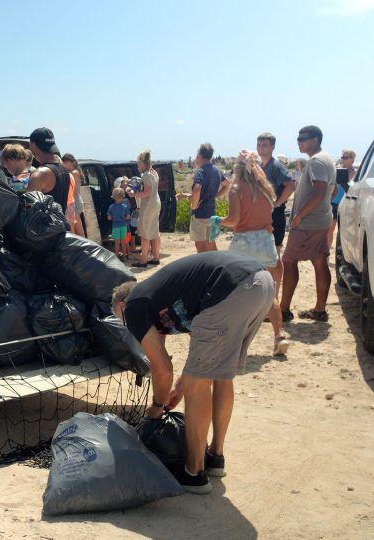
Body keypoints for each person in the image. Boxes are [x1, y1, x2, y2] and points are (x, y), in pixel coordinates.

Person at [112, 251, 274, 493]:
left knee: (197, 387)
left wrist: (157, 407)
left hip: (231, 289)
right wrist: (178, 386)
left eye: (122, 320)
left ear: (122, 306)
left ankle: (194, 473)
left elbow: (163, 369)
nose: (128, 326)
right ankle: (215, 457)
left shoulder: (135, 306)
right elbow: (194, 358)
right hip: (261, 284)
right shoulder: (162, 295)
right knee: (221, 376)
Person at [219, 150, 290, 356]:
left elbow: (234, 219)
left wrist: (219, 221)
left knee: (237, 291)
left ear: (238, 168)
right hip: (266, 241)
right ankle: (279, 336)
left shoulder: (236, 189)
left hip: (244, 243)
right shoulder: (266, 188)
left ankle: (234, 339)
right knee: (270, 292)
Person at [280, 126, 336, 322]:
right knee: (320, 261)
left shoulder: (316, 162)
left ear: (316, 139)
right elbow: (333, 191)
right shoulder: (326, 159)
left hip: (308, 223)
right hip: (321, 219)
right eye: (298, 137)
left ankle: (284, 310)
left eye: (304, 138)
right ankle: (320, 310)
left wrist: (299, 216)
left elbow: (320, 192)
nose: (299, 141)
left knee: (288, 261)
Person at [256, 133, 296, 295]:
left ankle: (274, 297)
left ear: (272, 147)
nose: (261, 148)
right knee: (266, 257)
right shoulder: (262, 166)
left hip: (275, 216)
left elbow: (291, 185)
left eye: (264, 145)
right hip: (265, 216)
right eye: (259, 145)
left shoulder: (276, 166)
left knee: (274, 255)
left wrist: (277, 203)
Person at [190, 143, 229, 253]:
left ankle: (204, 269)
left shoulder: (201, 171)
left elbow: (197, 189)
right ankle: (216, 267)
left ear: (200, 156)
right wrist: (216, 196)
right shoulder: (217, 171)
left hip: (200, 215)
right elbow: (227, 184)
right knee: (211, 244)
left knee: (200, 245)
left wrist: (194, 205)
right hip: (212, 213)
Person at [27, 127, 71, 214]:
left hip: (43, 227)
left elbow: (28, 209)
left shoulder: (40, 174)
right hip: (61, 226)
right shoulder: (64, 169)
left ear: (33, 145)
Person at [131, 149, 161, 267]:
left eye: (138, 163)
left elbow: (147, 192)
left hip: (148, 205)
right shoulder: (154, 173)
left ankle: (143, 260)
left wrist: (134, 194)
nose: (138, 165)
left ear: (143, 163)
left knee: (145, 233)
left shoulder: (146, 175)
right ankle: (156, 257)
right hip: (156, 203)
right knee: (154, 231)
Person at [328, 149, 356, 249]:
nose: (343, 160)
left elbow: (351, 190)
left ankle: (343, 254)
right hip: (334, 203)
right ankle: (327, 254)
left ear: (352, 159)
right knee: (329, 230)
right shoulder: (337, 171)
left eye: (345, 157)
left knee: (344, 232)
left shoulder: (356, 174)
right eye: (342, 157)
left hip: (347, 205)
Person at [62, 153, 87, 236]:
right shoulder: (75, 172)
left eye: (65, 162)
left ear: (69, 162)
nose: (64, 165)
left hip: (74, 201)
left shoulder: (74, 173)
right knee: (76, 227)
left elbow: (74, 191)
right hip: (75, 200)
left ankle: (83, 246)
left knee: (77, 228)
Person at [107, 187, 130, 259]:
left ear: (113, 197)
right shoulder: (125, 206)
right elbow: (128, 217)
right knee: (123, 242)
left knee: (117, 243)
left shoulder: (111, 207)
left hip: (115, 226)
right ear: (123, 196)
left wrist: (115, 218)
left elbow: (109, 218)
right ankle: (124, 257)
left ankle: (117, 257)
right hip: (123, 226)